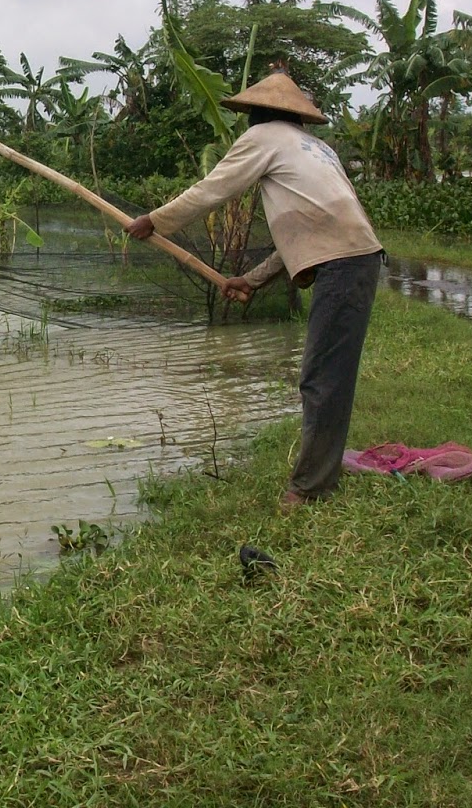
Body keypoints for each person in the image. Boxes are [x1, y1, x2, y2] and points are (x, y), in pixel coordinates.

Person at [126, 71, 383, 511]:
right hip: (357, 259)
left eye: (249, 113)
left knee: (322, 378)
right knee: (329, 376)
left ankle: (310, 488)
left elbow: (213, 189)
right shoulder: (317, 148)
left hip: (346, 264)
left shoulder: (264, 137)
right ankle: (319, 476)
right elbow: (313, 230)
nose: (248, 121)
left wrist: (155, 220)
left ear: (260, 114)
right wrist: (255, 277)